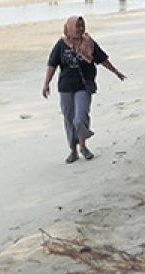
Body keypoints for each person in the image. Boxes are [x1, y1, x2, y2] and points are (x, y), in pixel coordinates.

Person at [43, 16, 127, 164]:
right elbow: (52, 65)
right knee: (69, 120)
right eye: (77, 26)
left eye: (82, 26)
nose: (81, 29)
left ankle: (83, 146)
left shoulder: (89, 43)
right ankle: (73, 151)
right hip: (65, 88)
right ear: (69, 28)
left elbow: (102, 60)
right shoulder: (61, 45)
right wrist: (46, 84)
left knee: (80, 117)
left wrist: (116, 72)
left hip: (84, 86)